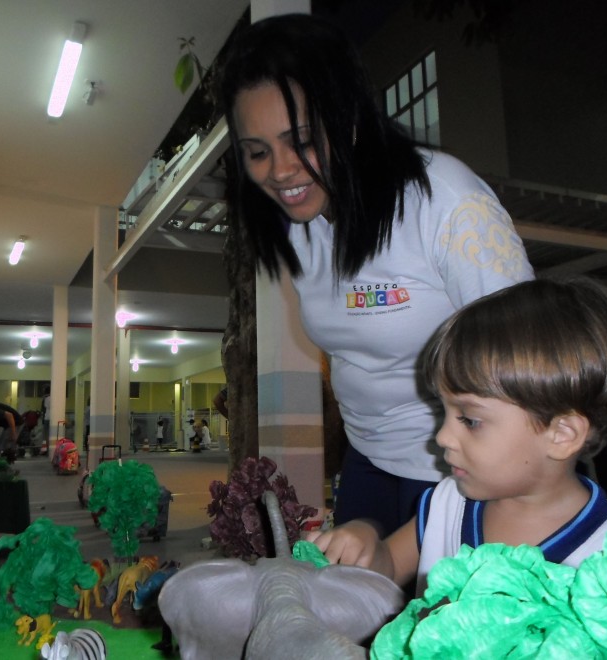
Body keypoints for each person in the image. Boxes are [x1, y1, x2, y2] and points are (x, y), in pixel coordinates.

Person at [218, 13, 534, 536]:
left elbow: (530, 362)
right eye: (257, 152)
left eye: (302, 141)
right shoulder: (298, 225)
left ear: (350, 120)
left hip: (467, 470)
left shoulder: (443, 199)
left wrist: (417, 534)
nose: (280, 170)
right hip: (366, 460)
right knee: (357, 587)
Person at [306, 278, 607, 596]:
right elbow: (391, 565)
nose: (443, 437)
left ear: (562, 434)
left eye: (470, 420)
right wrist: (367, 546)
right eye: (443, 411)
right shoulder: (449, 502)